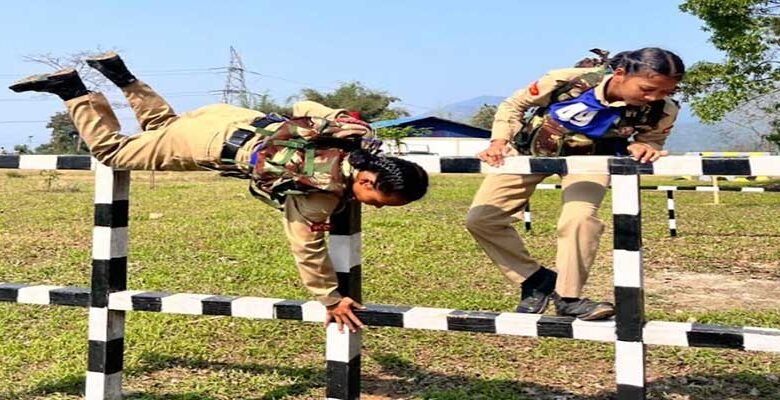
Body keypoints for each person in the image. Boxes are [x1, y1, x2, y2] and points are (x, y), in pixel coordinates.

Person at [8, 52, 429, 332]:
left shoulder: (356, 135)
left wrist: (336, 114)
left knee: (159, 128)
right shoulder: (321, 193)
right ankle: (72, 89)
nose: (377, 208)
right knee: (113, 151)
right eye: (380, 202)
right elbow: (307, 249)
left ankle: (120, 73)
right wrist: (330, 298)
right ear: (368, 181)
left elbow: (304, 105)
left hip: (229, 116)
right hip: (212, 145)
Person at [466, 47, 684, 321]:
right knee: (481, 218)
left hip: (590, 163)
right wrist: (499, 140)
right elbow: (514, 105)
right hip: (532, 153)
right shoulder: (568, 80)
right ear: (620, 74)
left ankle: (569, 297)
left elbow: (653, 138)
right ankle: (536, 279)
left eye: (666, 92)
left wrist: (645, 145)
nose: (654, 97)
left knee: (579, 219)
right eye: (647, 88)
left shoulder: (663, 109)